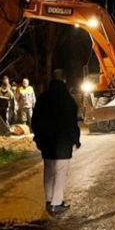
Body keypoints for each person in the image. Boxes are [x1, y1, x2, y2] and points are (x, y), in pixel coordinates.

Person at [32, 69, 81, 216]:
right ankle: (56, 203)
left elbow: (35, 121)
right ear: (64, 81)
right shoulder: (68, 100)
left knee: (49, 172)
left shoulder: (42, 99)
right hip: (63, 143)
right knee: (60, 174)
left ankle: (48, 200)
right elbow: (72, 123)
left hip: (47, 142)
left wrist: (38, 138)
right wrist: (75, 141)